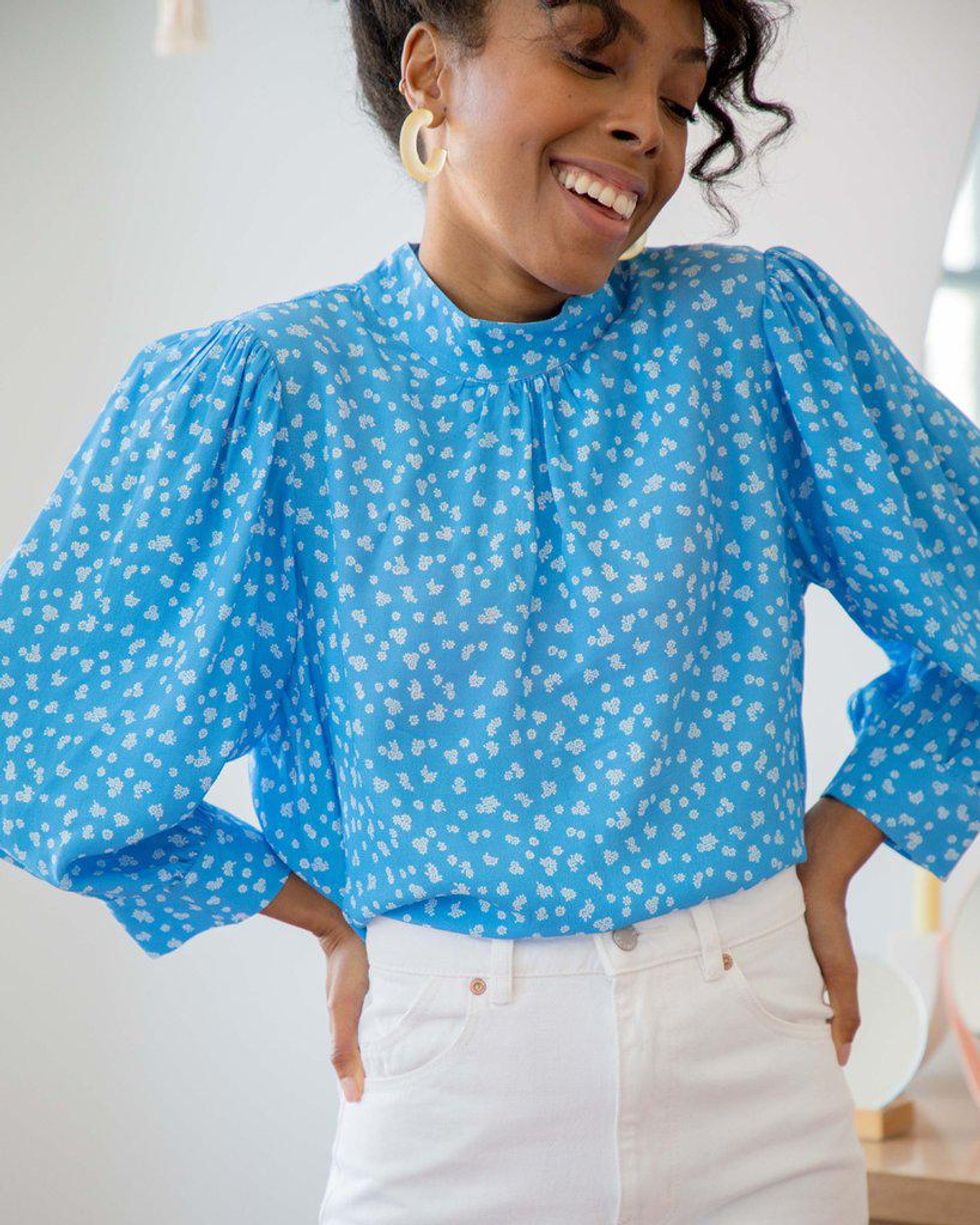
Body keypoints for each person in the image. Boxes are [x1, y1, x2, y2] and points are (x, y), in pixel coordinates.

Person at [2, 0, 978, 1221]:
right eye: (589, 54)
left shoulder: (754, 337)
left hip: (759, 1069)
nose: (645, 129)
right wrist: (327, 921)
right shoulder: (272, 393)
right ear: (431, 72)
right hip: (448, 1087)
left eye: (679, 98)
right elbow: (38, 744)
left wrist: (830, 856)